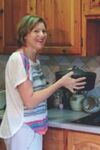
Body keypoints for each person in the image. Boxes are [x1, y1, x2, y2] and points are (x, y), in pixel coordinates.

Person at [0, 15, 86, 150]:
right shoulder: (18, 59)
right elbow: (30, 102)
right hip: (21, 129)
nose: (42, 35)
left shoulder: (34, 60)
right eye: (36, 31)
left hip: (32, 127)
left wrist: (60, 83)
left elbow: (37, 92)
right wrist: (59, 83)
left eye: (44, 31)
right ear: (24, 35)